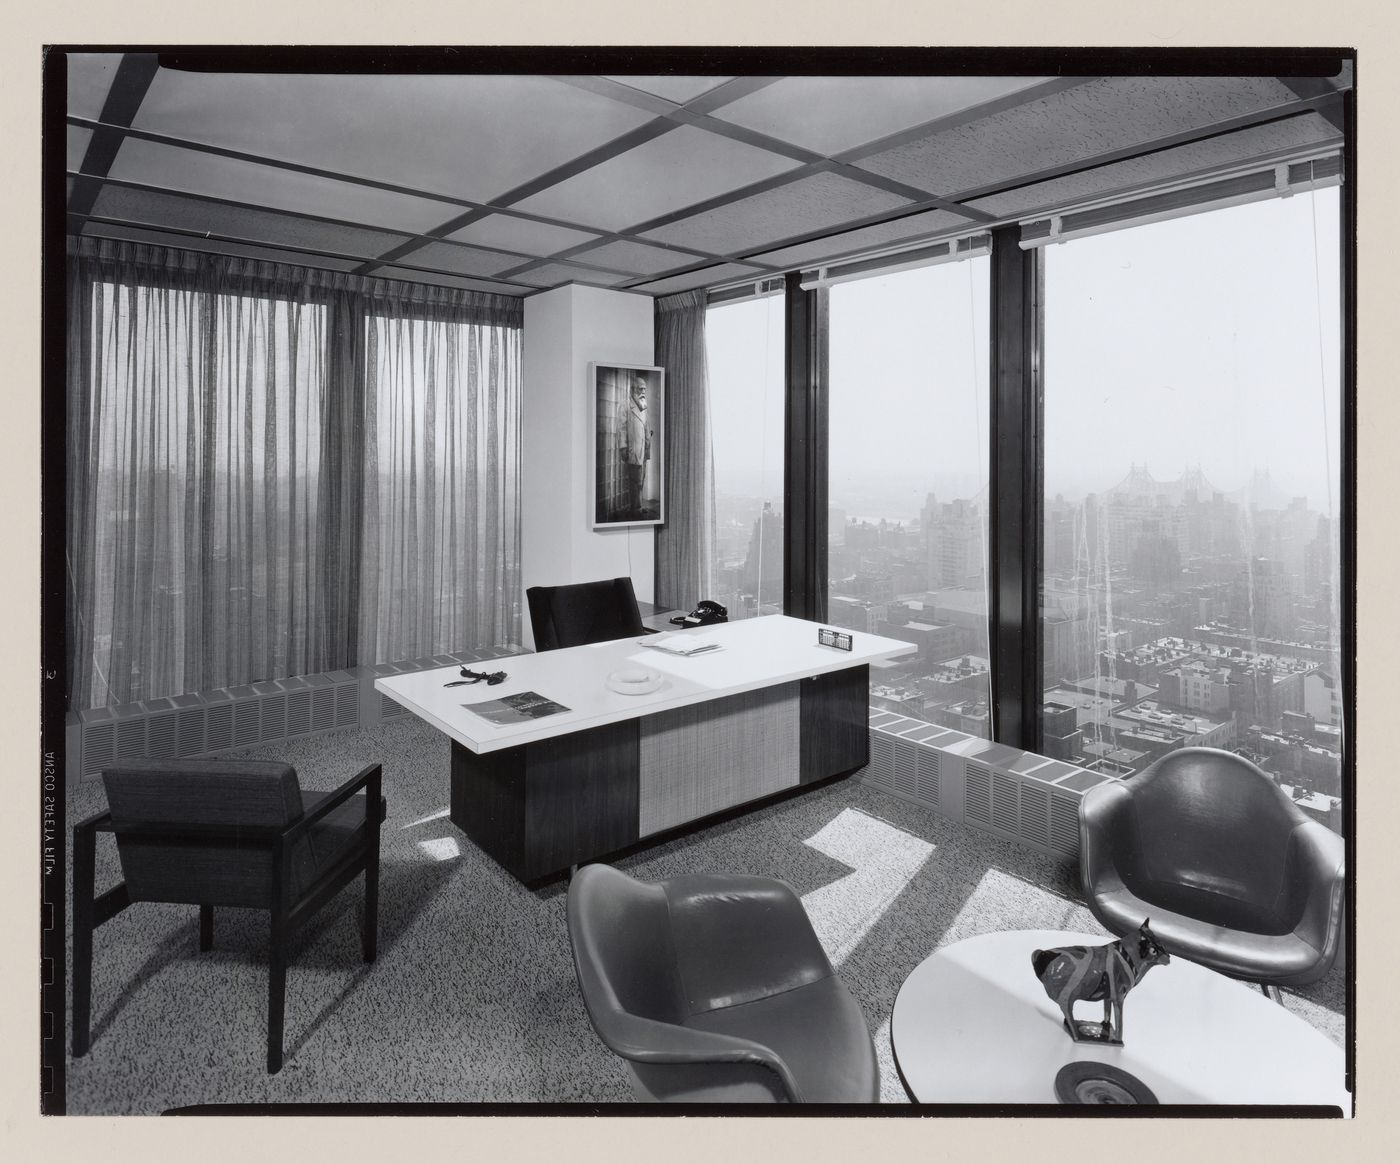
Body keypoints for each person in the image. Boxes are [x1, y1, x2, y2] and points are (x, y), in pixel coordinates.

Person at [618, 372, 651, 518]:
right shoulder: (625, 405)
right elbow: (621, 428)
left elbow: (645, 424)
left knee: (642, 478)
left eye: (644, 389)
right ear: (632, 390)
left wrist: (649, 437)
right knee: (634, 480)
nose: (643, 392)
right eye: (640, 389)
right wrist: (623, 447)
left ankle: (639, 506)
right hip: (633, 449)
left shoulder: (643, 404)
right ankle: (634, 509)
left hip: (644, 447)